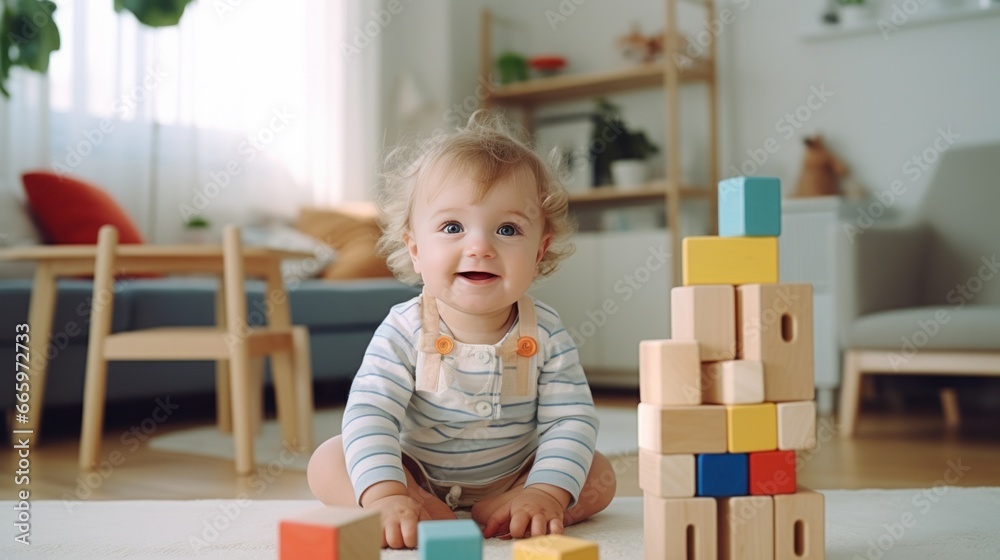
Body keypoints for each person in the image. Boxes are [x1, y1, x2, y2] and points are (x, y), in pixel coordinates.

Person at [307, 113, 615, 549]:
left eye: (507, 229)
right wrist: (386, 491)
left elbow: (571, 420)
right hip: (416, 470)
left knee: (600, 474)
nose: (480, 246)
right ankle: (409, 503)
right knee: (329, 461)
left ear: (539, 250)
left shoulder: (545, 331)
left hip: (516, 473)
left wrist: (545, 490)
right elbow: (371, 413)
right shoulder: (403, 328)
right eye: (453, 227)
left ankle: (518, 503)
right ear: (415, 249)